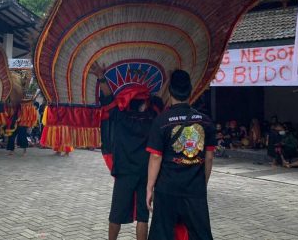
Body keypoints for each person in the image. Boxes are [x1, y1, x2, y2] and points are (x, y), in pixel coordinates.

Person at [91, 61, 159, 240]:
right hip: (145, 173)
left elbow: (108, 99)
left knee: (116, 215)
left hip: (124, 172)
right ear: (145, 104)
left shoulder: (120, 116)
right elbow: (162, 98)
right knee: (143, 217)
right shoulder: (153, 118)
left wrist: (101, 77)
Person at [146, 70, 216, 240]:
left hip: (167, 189)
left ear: (170, 91)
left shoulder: (161, 121)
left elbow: (156, 157)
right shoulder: (205, 121)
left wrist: (149, 187)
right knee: (200, 235)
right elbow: (209, 157)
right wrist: (202, 183)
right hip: (194, 190)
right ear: (190, 91)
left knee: (161, 234)